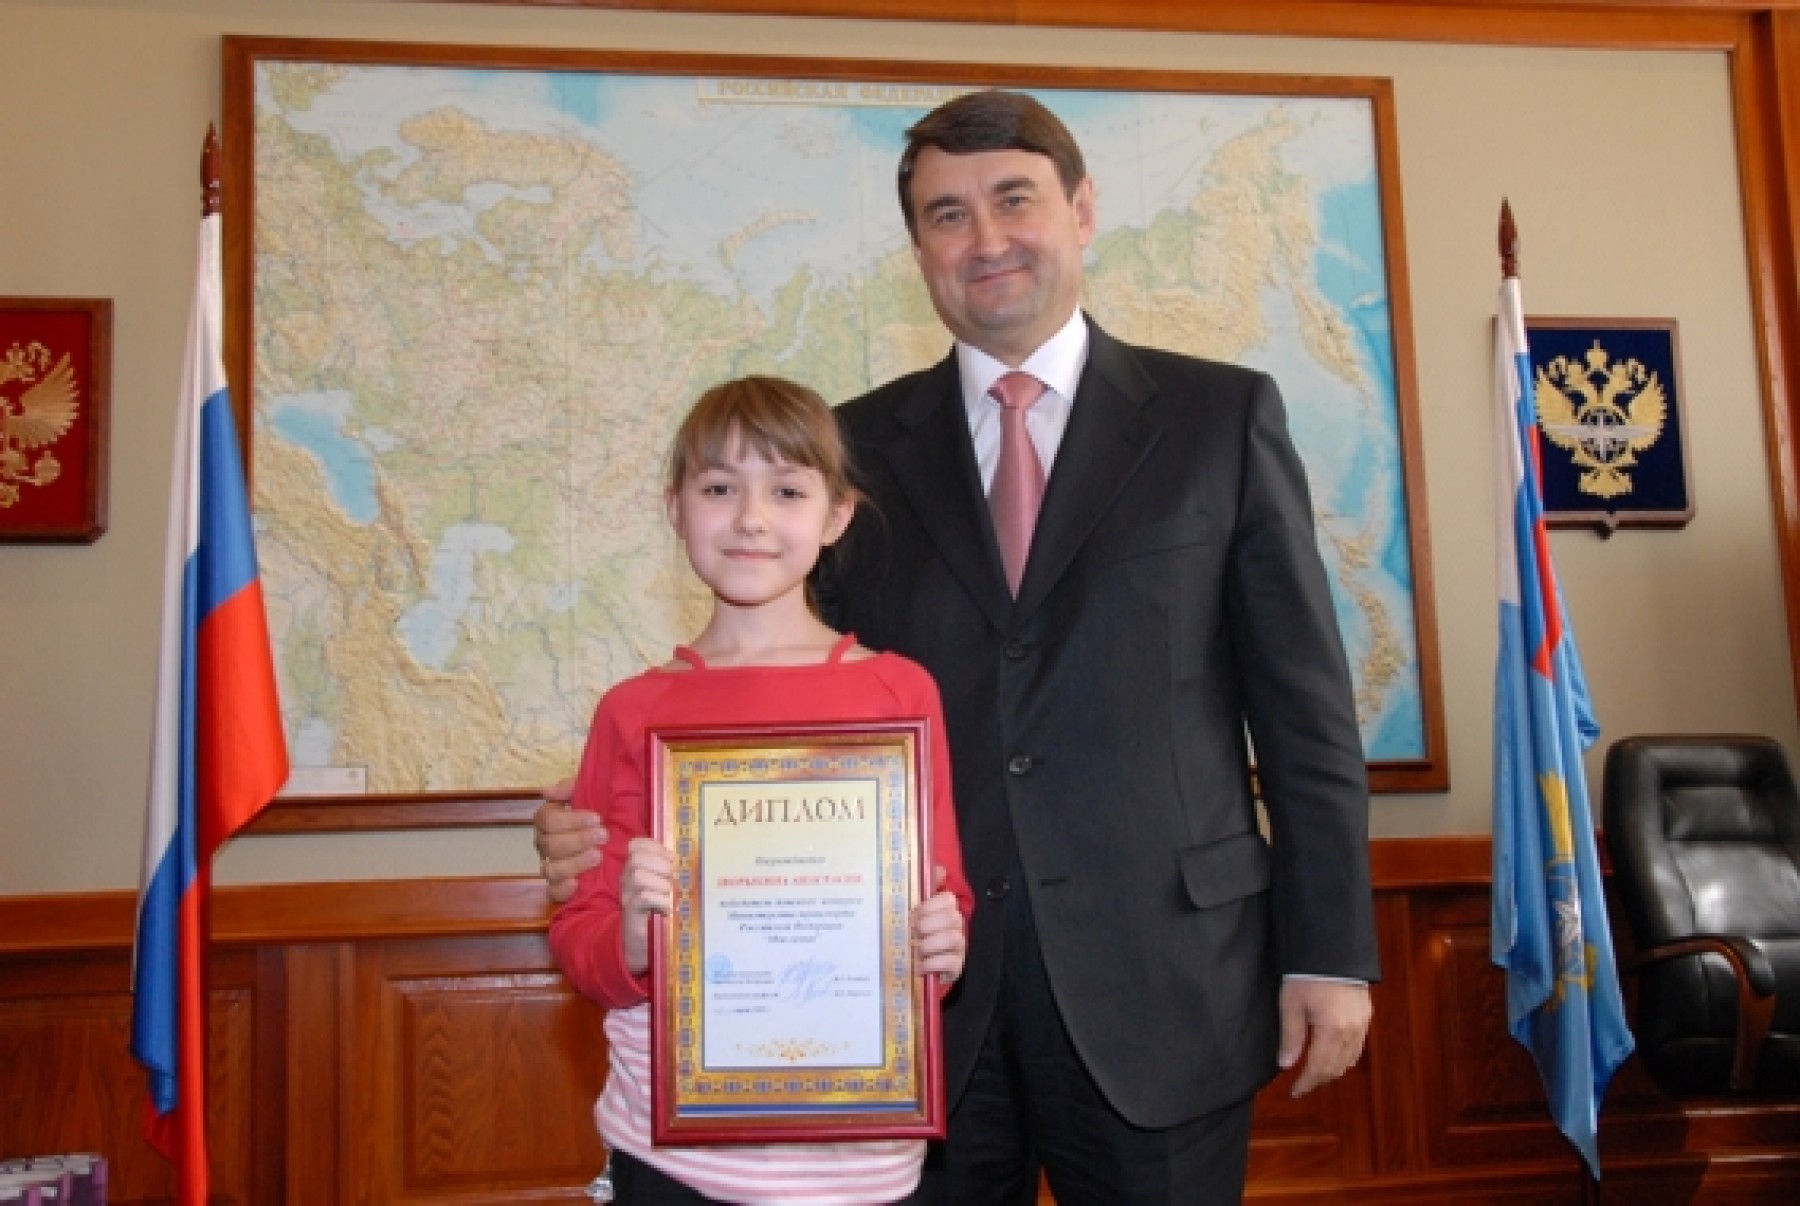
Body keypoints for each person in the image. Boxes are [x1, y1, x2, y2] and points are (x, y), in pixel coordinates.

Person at [540, 91, 1378, 1205]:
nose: (985, 239)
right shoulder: (849, 452)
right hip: (907, 1008)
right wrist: (596, 825)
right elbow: (772, 694)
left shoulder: (1219, 419)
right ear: (918, 251)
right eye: (947, 214)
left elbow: (1305, 713)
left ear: (1082, 211)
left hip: (1166, 985)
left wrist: (1329, 951)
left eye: (1014, 199)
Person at [548, 375, 973, 1205]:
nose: (750, 518)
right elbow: (581, 939)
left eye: (786, 490)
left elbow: (941, 898)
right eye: (718, 488)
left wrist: (939, 946)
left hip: (861, 1159)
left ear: (837, 515)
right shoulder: (634, 710)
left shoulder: (899, 694)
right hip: (673, 1159)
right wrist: (632, 940)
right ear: (675, 510)